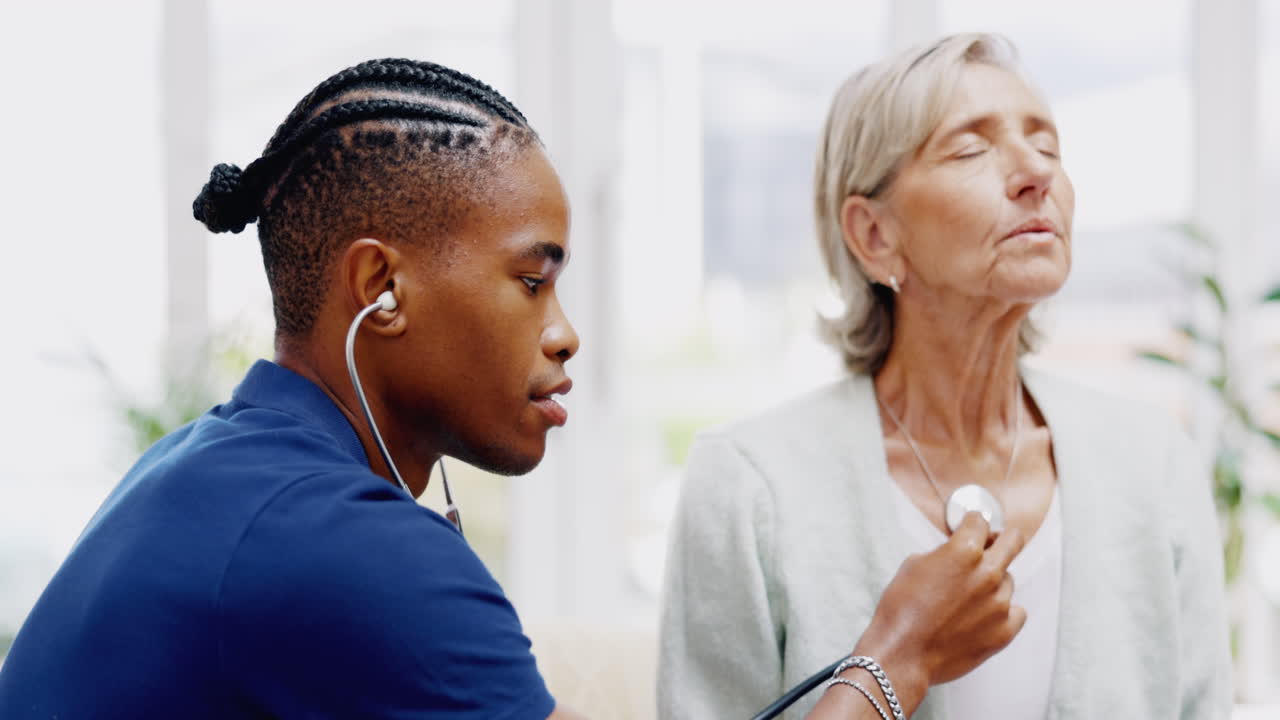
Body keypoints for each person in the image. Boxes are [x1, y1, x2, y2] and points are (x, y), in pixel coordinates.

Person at [658, 33, 1231, 719]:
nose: (1035, 174)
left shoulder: (1153, 461)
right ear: (874, 235)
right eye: (971, 149)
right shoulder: (749, 486)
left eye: (1047, 146)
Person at [0, 58, 588, 719]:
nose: (564, 334)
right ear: (381, 290)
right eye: (533, 283)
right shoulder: (348, 543)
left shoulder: (202, 469)